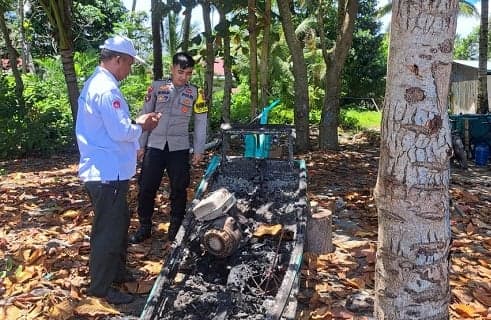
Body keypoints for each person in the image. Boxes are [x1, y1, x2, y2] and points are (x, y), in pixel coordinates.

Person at [76, 35, 160, 305]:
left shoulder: (101, 84)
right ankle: (100, 289)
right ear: (118, 60)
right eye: (130, 64)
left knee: (119, 225)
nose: (130, 70)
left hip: (110, 173)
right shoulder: (106, 89)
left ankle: (118, 273)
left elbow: (113, 127)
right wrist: (142, 125)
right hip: (106, 174)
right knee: (108, 232)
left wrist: (135, 123)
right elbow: (120, 130)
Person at [129, 52, 208, 244]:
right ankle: (145, 226)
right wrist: (140, 145)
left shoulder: (196, 93)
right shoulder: (157, 87)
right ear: (172, 68)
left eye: (188, 73)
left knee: (179, 189)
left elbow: (200, 122)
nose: (184, 77)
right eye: (180, 72)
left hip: (179, 148)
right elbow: (145, 115)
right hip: (154, 145)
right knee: (147, 187)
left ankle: (175, 228)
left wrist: (198, 150)